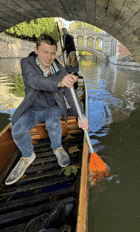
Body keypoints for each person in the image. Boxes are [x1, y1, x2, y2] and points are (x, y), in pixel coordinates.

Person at [5, 34, 88, 185]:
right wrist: (60, 82)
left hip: (52, 107)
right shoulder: (26, 63)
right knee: (17, 130)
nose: (49, 57)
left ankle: (57, 147)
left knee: (53, 120)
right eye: (44, 52)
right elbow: (35, 81)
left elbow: (71, 96)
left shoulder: (61, 70)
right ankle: (28, 155)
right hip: (32, 109)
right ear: (36, 50)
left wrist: (80, 115)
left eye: (52, 53)